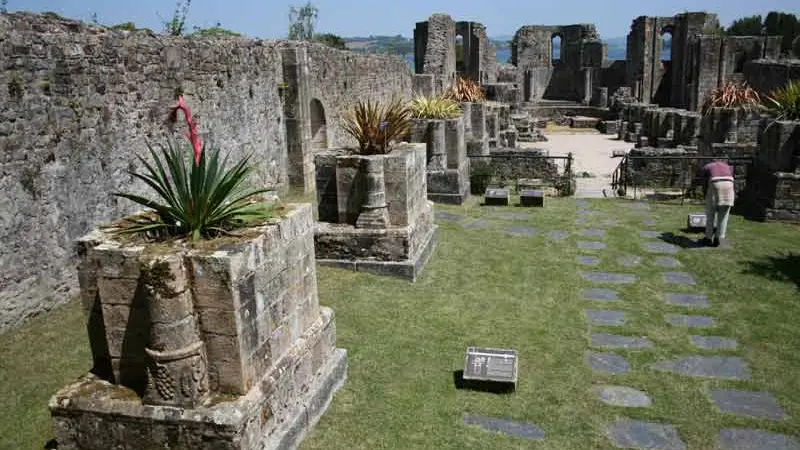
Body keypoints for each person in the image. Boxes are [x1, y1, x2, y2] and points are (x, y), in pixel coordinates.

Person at [698, 160, 735, 247]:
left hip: (715, 182)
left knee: (710, 213)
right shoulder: (728, 166)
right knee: (724, 213)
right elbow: (732, 177)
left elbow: (704, 182)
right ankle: (719, 238)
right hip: (729, 183)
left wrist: (705, 194)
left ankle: (708, 238)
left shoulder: (707, 166)